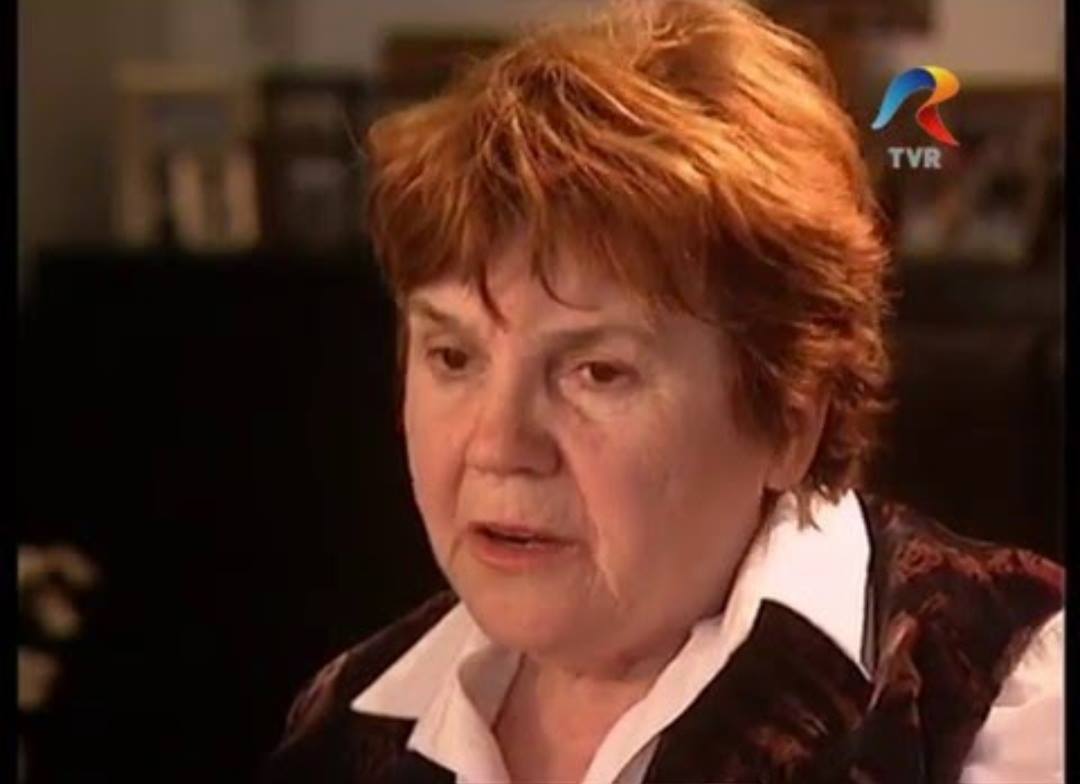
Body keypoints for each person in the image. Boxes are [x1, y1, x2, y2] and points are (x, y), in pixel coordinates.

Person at [262, 1, 1064, 782]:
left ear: (789, 416)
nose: (498, 445)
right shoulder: (342, 725)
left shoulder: (1005, 707)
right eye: (452, 356)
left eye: (596, 371)